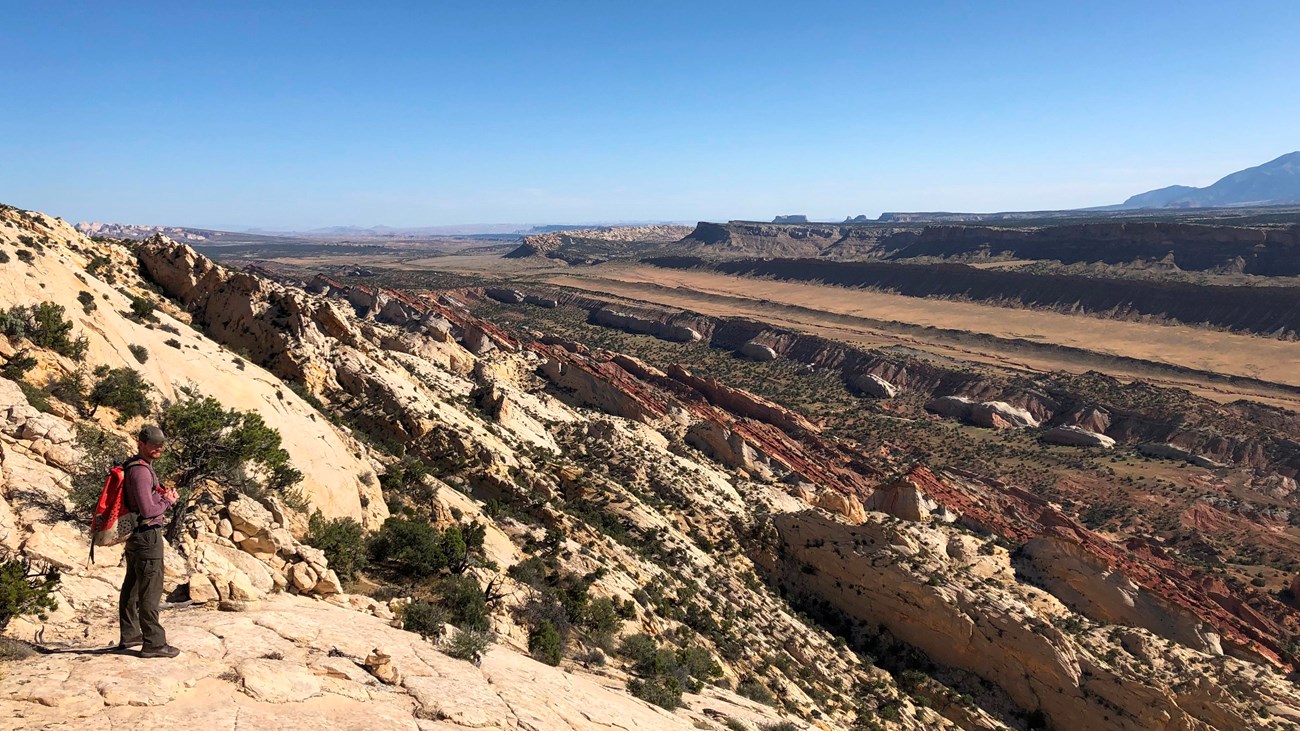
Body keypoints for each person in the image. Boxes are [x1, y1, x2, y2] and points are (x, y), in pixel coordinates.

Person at [118, 424, 181, 658]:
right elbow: (147, 510)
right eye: (154, 444)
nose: (159, 447)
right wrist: (168, 502)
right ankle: (154, 643)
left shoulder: (137, 466)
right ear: (141, 444)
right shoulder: (142, 471)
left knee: (133, 585)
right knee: (150, 589)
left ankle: (130, 633)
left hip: (136, 535)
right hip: (147, 535)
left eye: (161, 444)